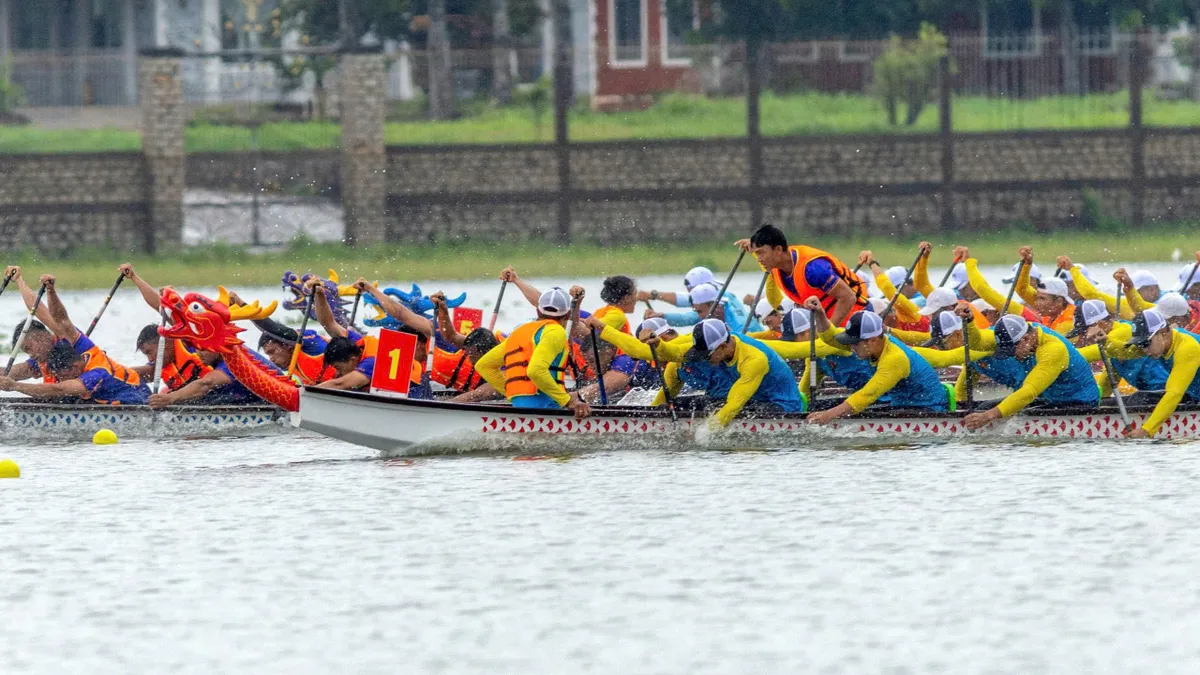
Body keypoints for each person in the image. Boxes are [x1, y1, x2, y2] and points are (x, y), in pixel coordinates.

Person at [806, 302, 950, 424]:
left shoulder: (894, 359)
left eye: (855, 343)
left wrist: (828, 415)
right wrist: (820, 313)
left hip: (930, 410)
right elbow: (830, 338)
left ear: (873, 340)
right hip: (903, 406)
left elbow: (867, 395)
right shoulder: (873, 344)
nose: (851, 348)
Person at [654, 319, 806, 428]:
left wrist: (702, 434)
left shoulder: (753, 360)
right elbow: (674, 353)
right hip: (753, 400)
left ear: (722, 347)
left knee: (729, 411)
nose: (704, 360)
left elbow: (733, 405)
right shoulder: (723, 347)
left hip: (783, 406)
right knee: (681, 405)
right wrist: (657, 344)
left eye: (707, 356)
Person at [962, 315, 1099, 431]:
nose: (1012, 356)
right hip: (1052, 400)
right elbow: (976, 343)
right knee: (984, 407)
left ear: (1025, 339)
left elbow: (1029, 391)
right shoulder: (1022, 334)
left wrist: (987, 416)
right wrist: (969, 321)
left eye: (1012, 351)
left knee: (996, 412)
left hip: (1080, 403)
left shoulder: (1054, 350)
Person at [474, 286, 592, 418]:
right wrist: (567, 400)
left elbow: (484, 365)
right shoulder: (557, 332)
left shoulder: (519, 332)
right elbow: (535, 371)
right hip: (546, 408)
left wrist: (513, 392)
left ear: (538, 311)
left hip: (520, 408)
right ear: (568, 314)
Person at [738, 224, 867, 326]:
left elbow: (848, 297)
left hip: (857, 320)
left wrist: (828, 334)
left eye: (761, 253)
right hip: (826, 323)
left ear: (778, 250)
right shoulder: (776, 265)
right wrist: (753, 244)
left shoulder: (813, 269)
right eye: (756, 253)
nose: (759, 259)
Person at [1122, 309, 1200, 438]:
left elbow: (1174, 394)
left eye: (1146, 343)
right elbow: (1117, 351)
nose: (1144, 350)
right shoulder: (1163, 343)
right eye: (1139, 344)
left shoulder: (1187, 348)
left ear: (1163, 333)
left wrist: (1146, 430)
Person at [0, 341, 148, 405]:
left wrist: (15, 386)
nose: (61, 380)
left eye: (62, 376)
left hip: (140, 406)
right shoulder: (79, 360)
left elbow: (59, 389)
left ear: (75, 367)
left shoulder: (96, 373)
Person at [1073, 299, 1168, 395]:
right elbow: (1108, 381)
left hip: (1163, 388)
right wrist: (1100, 399)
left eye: (1083, 333)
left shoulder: (1122, 332)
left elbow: (1082, 355)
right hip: (1151, 391)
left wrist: (1064, 354)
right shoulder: (1112, 349)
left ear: (1097, 324)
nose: (1082, 338)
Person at [639, 266, 762, 333]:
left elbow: (688, 318)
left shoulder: (713, 300)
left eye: (692, 292)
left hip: (748, 335)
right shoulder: (719, 295)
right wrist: (658, 309)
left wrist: (654, 298)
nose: (692, 297)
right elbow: (684, 304)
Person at [148, 349, 279, 408]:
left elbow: (206, 383)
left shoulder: (234, 359)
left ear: (217, 346)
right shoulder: (214, 352)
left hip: (276, 403)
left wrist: (170, 398)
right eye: (197, 348)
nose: (198, 354)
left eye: (202, 349)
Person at [133, 323, 210, 392]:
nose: (150, 359)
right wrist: (125, 374)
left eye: (150, 352)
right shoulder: (161, 363)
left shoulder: (191, 345)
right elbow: (145, 371)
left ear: (165, 343)